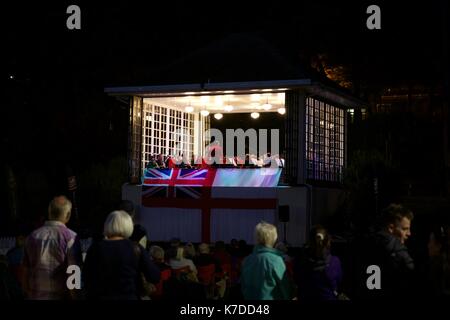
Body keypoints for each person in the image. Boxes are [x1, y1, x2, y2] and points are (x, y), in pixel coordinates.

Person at [83, 210, 160, 299]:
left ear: (107, 225)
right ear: (129, 226)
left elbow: (86, 277)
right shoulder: (136, 248)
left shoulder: (95, 248)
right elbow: (154, 277)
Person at [23, 196, 82, 300]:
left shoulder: (32, 237)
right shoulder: (70, 237)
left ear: (49, 213)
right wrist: (76, 296)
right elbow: (73, 272)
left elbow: (25, 271)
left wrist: (27, 292)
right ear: (68, 215)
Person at [359, 203, 415, 299]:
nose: (409, 233)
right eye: (405, 229)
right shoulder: (399, 252)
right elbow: (412, 279)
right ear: (391, 228)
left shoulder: (363, 244)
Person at [240, 221, 293, 300]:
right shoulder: (276, 260)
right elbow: (284, 287)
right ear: (274, 238)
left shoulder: (247, 260)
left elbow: (243, 286)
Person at [293, 225, 343, 301]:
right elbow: (338, 283)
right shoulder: (334, 261)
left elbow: (296, 280)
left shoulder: (299, 260)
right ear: (328, 241)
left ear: (309, 241)